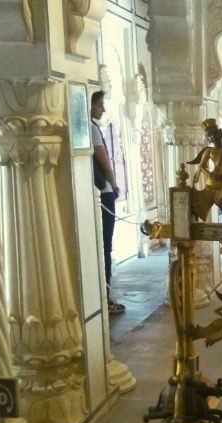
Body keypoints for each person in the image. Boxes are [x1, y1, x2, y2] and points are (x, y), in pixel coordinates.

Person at [90, 91, 124, 314]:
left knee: (102, 246)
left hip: (99, 194)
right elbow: (102, 158)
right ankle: (105, 297)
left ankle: (103, 295)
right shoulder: (91, 128)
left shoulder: (89, 126)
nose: (103, 110)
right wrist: (113, 182)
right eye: (100, 105)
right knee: (105, 246)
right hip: (103, 193)